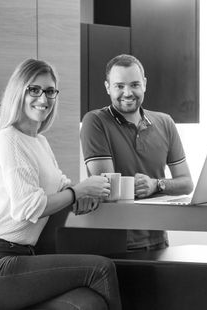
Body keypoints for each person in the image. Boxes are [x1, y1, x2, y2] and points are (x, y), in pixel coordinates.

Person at [0, 58, 122, 310]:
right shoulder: (9, 140)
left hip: (22, 260)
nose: (43, 98)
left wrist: (87, 192)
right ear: (20, 92)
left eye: (50, 91)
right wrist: (77, 192)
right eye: (34, 90)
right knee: (102, 268)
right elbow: (27, 208)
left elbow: (62, 186)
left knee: (88, 303)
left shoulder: (39, 142)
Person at [80, 54, 194, 251]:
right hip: (114, 242)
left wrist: (155, 184)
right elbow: (107, 186)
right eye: (119, 86)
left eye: (134, 84)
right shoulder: (95, 122)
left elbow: (186, 183)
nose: (128, 92)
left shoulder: (165, 122)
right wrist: (149, 185)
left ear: (144, 84)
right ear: (108, 87)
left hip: (158, 238)